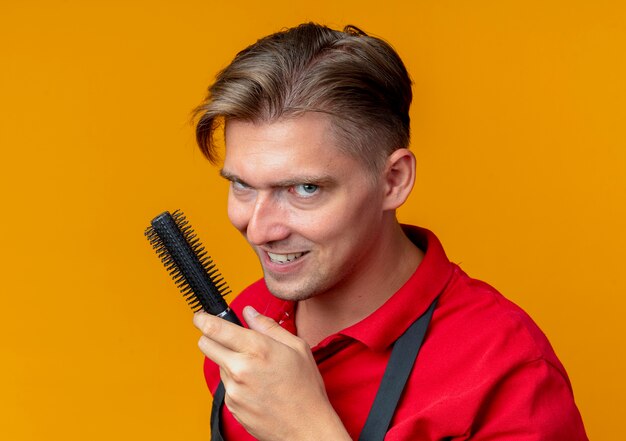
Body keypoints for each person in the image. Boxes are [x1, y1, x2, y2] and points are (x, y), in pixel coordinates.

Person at [191, 23, 588, 440]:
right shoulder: (250, 320)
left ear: (394, 180)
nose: (258, 230)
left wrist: (308, 432)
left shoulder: (507, 372)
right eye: (242, 185)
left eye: (304, 188)